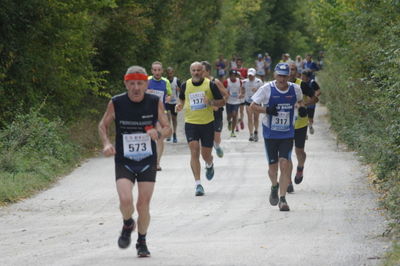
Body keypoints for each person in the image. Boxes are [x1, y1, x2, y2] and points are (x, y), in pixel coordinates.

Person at [98, 65, 171, 257]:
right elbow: (103, 125)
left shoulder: (154, 102)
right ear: (126, 83)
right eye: (132, 84)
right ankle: (128, 222)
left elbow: (167, 128)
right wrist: (106, 144)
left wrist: (159, 133)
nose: (136, 88)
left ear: (146, 84)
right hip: (124, 160)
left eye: (140, 83)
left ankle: (142, 241)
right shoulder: (116, 102)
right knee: (125, 200)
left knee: (143, 204)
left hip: (147, 160)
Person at [250, 63, 306, 211]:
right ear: (275, 75)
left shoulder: (295, 89)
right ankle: (274, 186)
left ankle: (282, 199)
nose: (282, 78)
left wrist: (301, 109)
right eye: (279, 75)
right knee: (272, 168)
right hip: (270, 133)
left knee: (284, 164)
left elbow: (300, 101)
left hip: (287, 133)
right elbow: (252, 106)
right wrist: (266, 109)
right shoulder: (266, 89)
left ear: (289, 76)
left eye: (284, 76)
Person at [175, 62, 225, 196]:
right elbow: (181, 100)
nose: (196, 72)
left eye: (198, 70)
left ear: (203, 71)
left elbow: (222, 102)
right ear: (190, 71)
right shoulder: (185, 85)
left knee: (205, 155)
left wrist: (210, 102)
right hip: (191, 123)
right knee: (194, 150)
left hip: (207, 123)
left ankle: (209, 164)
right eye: (194, 70)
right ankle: (198, 184)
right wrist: (179, 106)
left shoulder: (211, 85)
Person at [287, 64, 317, 193]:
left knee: (299, 151)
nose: (290, 72)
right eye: (288, 70)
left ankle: (300, 167)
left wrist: (303, 104)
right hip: (285, 126)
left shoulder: (301, 85)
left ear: (296, 72)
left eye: (292, 69)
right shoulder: (278, 86)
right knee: (285, 155)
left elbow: (315, 98)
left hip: (300, 124)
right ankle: (287, 182)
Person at [147, 61, 172, 171]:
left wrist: (168, 98)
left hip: (161, 113)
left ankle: (157, 163)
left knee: (160, 137)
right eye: (155, 70)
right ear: (152, 71)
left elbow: (170, 95)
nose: (157, 72)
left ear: (162, 71)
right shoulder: (147, 80)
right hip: (148, 113)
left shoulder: (166, 81)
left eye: (159, 70)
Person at [202, 60, 229, 158]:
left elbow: (226, 95)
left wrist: (217, 105)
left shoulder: (215, 82)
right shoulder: (197, 83)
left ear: (208, 71)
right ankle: (208, 158)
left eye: (203, 70)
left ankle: (217, 146)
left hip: (216, 113)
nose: (200, 73)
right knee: (206, 139)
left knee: (216, 137)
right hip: (203, 114)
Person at [242, 68, 263, 141]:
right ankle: (251, 134)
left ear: (255, 75)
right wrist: (241, 94)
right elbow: (242, 89)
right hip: (248, 101)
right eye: (249, 75)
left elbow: (263, 92)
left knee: (256, 118)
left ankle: (256, 132)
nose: (250, 77)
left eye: (252, 75)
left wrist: (257, 90)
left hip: (257, 102)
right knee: (249, 118)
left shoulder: (259, 81)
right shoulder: (244, 82)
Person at [224, 69, 243, 137]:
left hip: (236, 101)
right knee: (229, 116)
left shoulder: (239, 81)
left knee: (234, 115)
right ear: (230, 75)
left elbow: (241, 89)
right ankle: (229, 122)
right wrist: (226, 94)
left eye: (235, 75)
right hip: (229, 101)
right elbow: (224, 90)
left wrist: (240, 94)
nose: (233, 77)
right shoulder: (227, 81)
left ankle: (232, 131)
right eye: (232, 75)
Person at [302, 69, 321, 135]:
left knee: (310, 118)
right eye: (302, 76)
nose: (302, 77)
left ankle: (310, 126)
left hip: (311, 103)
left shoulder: (312, 82)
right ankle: (304, 133)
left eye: (303, 76)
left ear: (308, 77)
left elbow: (318, 91)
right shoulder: (301, 83)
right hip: (303, 103)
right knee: (303, 117)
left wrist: (314, 96)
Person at [165, 67, 181, 143]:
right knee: (168, 118)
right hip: (167, 102)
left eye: (171, 73)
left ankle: (174, 134)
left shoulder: (176, 80)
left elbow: (182, 92)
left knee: (174, 119)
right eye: (168, 73)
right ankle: (169, 134)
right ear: (166, 73)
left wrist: (179, 90)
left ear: (173, 73)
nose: (169, 74)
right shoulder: (164, 81)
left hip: (175, 102)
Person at [235, 57, 248, 130]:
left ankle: (241, 120)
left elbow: (247, 80)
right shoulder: (233, 70)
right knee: (236, 110)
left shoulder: (245, 70)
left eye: (240, 62)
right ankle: (236, 125)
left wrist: (241, 77)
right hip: (235, 91)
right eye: (237, 62)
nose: (238, 63)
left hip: (242, 90)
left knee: (241, 110)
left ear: (242, 63)